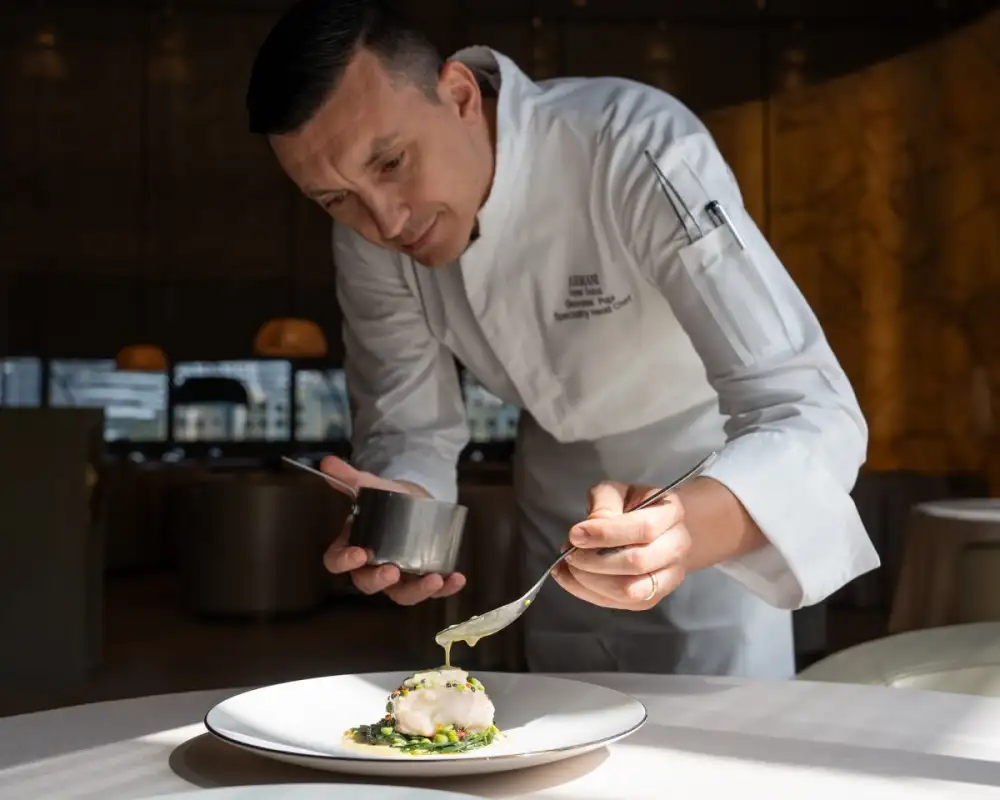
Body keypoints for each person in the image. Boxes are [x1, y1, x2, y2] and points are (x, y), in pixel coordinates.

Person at [246, 0, 880, 678]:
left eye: (393, 161)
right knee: (564, 722)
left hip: (708, 483)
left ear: (459, 95)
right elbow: (410, 425)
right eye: (335, 199)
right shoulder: (367, 239)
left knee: (717, 732)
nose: (384, 221)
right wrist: (405, 511)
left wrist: (688, 528)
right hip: (554, 506)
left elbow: (808, 407)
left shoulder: (631, 145)